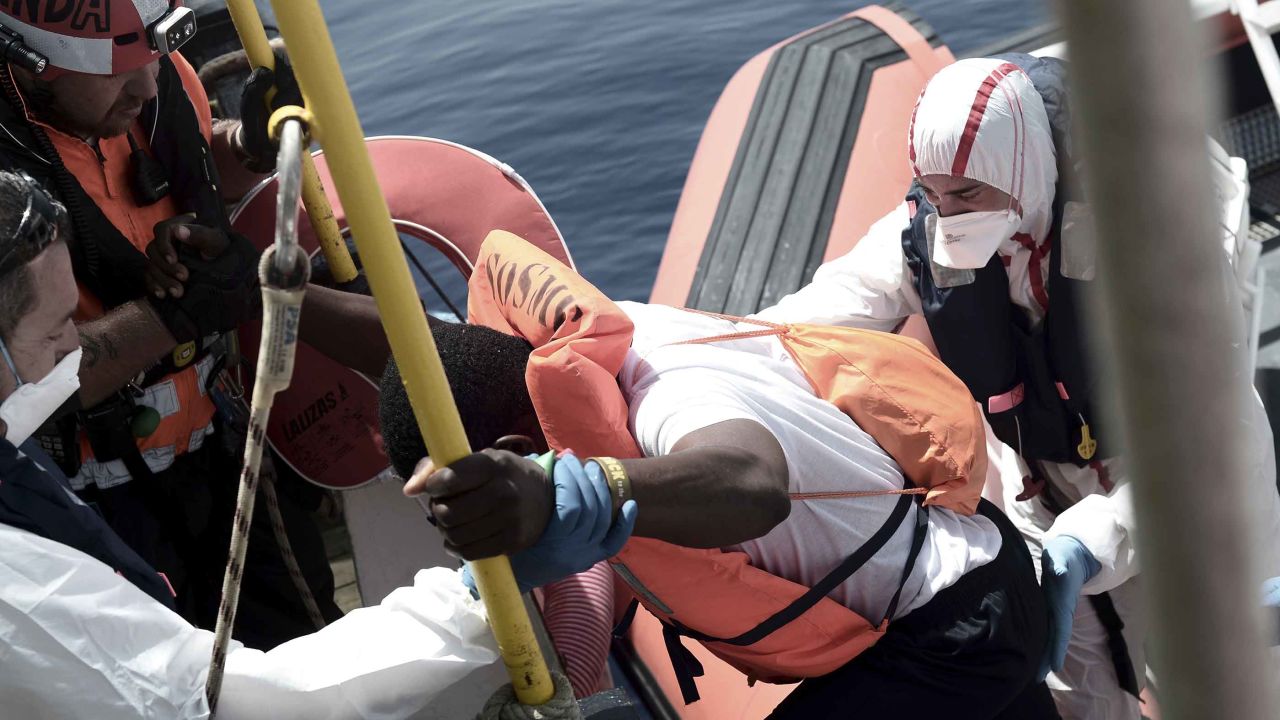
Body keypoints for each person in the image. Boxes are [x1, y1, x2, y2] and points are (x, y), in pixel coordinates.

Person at [754, 56, 1280, 719]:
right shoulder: (937, 228)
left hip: (1190, 495)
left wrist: (1095, 539)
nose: (947, 217)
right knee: (1083, 690)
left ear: (1022, 169)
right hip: (1043, 490)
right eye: (931, 194)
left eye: (967, 196)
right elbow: (810, 316)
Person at [377, 229, 1061, 718]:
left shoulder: (666, 403)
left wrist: (591, 489)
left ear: (515, 447)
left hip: (954, 628)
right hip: (975, 569)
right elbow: (409, 349)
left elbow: (753, 482)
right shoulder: (566, 346)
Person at [0, 169, 517, 720]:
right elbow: (220, 702)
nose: (75, 344)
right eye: (55, 328)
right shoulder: (19, 587)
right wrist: (471, 599)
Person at [0, 1, 400, 647]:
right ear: (29, 61)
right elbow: (19, 379)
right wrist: (173, 315)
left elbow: (191, 158)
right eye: (112, 70)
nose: (145, 85)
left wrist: (248, 143)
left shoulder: (156, 80)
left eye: (153, 55)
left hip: (224, 448)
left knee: (302, 645)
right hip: (94, 504)